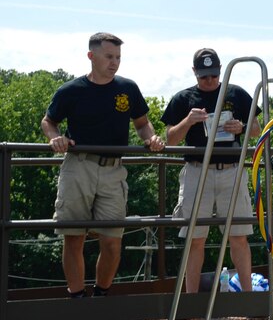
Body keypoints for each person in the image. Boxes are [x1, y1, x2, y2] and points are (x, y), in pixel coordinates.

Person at [41, 32, 165, 298]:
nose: (114, 62)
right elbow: (48, 122)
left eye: (118, 57)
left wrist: (152, 138)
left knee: (112, 241)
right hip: (78, 167)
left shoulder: (127, 88)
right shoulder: (71, 90)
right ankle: (78, 301)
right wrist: (55, 139)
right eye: (109, 56)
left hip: (113, 170)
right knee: (73, 237)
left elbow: (142, 124)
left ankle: (101, 297)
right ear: (91, 56)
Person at [161, 48, 260, 293]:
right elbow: (170, 140)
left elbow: (256, 128)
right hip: (196, 171)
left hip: (232, 171)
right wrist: (188, 121)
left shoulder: (236, 93)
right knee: (196, 240)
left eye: (214, 75)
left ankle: (248, 299)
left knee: (239, 237)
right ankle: (191, 303)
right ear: (194, 72)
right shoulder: (183, 98)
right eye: (204, 76)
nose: (210, 80)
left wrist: (241, 127)